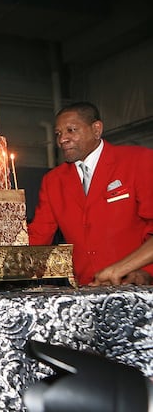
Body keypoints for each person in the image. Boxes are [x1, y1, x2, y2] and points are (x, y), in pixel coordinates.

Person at [27, 101, 153, 286]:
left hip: (137, 287)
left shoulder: (138, 160)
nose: (62, 139)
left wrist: (144, 272)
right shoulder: (53, 181)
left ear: (96, 129)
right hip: (87, 291)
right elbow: (38, 236)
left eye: (71, 130)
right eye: (58, 133)